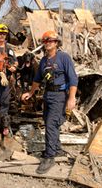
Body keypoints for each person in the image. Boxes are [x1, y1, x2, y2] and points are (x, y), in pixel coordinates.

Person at [21, 30, 78, 174]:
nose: (48, 43)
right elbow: (37, 80)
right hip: (48, 95)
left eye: (51, 41)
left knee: (52, 124)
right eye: (45, 41)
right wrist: (31, 92)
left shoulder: (64, 58)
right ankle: (57, 149)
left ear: (56, 43)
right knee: (49, 122)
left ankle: (49, 156)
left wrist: (71, 98)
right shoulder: (44, 61)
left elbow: (73, 79)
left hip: (60, 95)